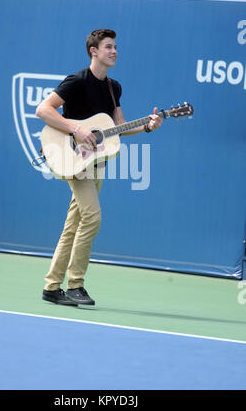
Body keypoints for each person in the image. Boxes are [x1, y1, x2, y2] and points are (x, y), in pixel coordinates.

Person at [35, 29, 163, 306]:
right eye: (108, 47)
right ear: (94, 51)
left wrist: (147, 127)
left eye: (115, 46)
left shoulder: (113, 88)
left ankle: (51, 287)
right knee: (92, 218)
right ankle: (76, 284)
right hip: (72, 159)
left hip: (95, 163)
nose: (114, 51)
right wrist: (76, 129)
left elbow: (118, 129)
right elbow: (43, 110)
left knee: (74, 225)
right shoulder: (77, 81)